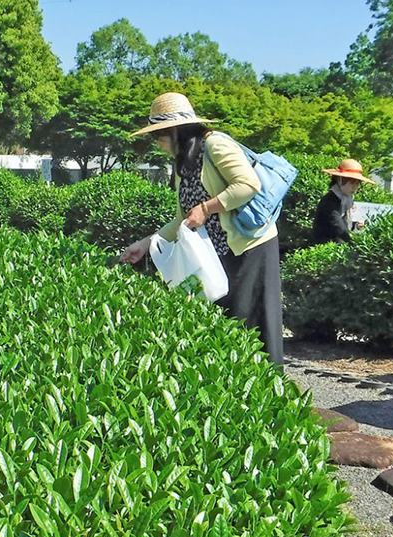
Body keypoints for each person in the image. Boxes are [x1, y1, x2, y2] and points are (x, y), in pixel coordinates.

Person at [118, 92, 283, 365]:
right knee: (227, 321)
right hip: (218, 252)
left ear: (176, 130)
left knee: (253, 320)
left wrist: (207, 208)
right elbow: (183, 218)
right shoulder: (183, 162)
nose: (156, 142)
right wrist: (146, 244)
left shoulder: (215, 144)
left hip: (251, 245)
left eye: (158, 135)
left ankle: (269, 383)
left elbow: (248, 185)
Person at [312, 158, 376, 245]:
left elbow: (346, 224)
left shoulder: (347, 200)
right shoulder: (329, 200)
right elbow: (338, 226)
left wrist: (356, 226)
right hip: (325, 247)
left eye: (357, 183)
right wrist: (355, 241)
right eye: (351, 183)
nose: (354, 187)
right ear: (340, 180)